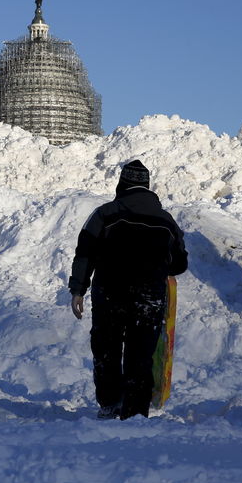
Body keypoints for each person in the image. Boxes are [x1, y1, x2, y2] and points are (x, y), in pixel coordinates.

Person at [69, 160, 188, 420]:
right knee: (141, 351)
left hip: (111, 292)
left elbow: (85, 252)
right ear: (147, 187)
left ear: (122, 184)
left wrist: (78, 289)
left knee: (106, 348)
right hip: (149, 296)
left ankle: (110, 404)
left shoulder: (104, 214)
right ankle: (134, 411)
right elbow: (180, 264)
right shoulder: (166, 221)